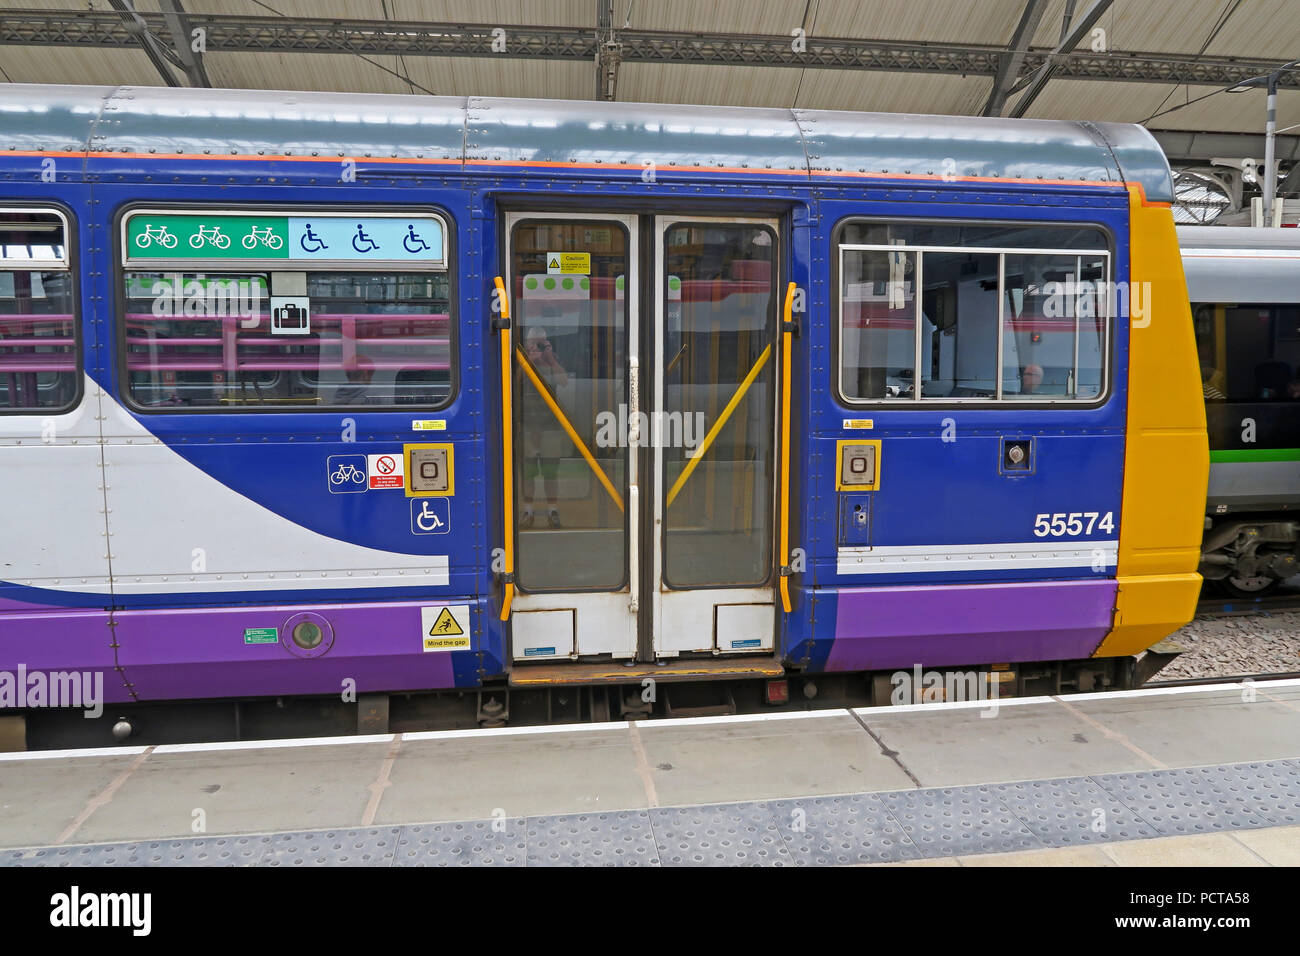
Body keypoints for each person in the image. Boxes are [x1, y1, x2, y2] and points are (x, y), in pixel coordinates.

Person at [520, 327, 569, 529]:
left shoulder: (552, 360)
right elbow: (512, 385)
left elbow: (563, 381)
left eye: (542, 345)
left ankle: (552, 510)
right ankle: (528, 511)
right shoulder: (521, 360)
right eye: (535, 345)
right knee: (528, 472)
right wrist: (527, 362)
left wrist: (550, 359)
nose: (538, 349)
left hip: (549, 425)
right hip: (527, 425)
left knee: (550, 471)